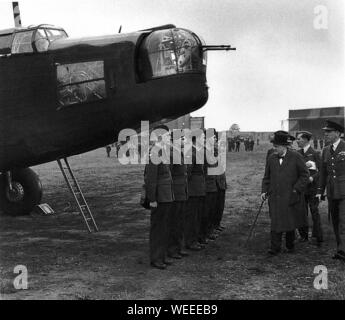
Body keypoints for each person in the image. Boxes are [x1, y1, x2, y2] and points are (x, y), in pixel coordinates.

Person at [261, 131, 309, 255]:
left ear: (284, 146)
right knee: (276, 221)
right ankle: (274, 248)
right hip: (275, 196)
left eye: (276, 146)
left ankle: (290, 245)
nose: (274, 149)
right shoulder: (271, 158)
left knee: (289, 221)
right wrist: (264, 190)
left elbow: (305, 175)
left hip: (290, 196)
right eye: (274, 146)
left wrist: (296, 189)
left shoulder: (296, 156)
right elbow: (266, 177)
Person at [144, 125, 174, 269]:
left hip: (166, 196)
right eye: (167, 136)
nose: (169, 138)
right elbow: (151, 179)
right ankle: (156, 258)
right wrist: (153, 199)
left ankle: (162, 256)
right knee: (158, 229)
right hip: (159, 198)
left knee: (165, 227)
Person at [316, 120, 345, 261]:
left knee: (343, 220)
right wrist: (320, 191)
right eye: (325, 132)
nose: (325, 134)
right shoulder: (325, 150)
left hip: (344, 191)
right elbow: (323, 173)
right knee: (335, 220)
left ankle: (343, 250)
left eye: (329, 132)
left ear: (338, 133)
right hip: (332, 191)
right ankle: (340, 249)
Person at [296, 131, 323, 246]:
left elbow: (322, 171)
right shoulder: (296, 153)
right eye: (297, 139)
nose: (297, 141)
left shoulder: (315, 153)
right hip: (302, 189)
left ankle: (318, 236)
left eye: (299, 139)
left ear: (306, 140)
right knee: (302, 212)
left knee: (314, 211)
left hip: (312, 188)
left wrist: (312, 178)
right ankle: (304, 236)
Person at [168, 133, 189, 259]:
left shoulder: (178, 152)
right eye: (181, 139)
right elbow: (168, 175)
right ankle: (172, 249)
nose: (183, 141)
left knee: (180, 222)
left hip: (181, 192)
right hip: (175, 193)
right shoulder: (171, 154)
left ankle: (178, 247)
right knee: (174, 222)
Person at [185, 133, 206, 251]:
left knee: (197, 216)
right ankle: (190, 242)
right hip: (193, 191)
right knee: (192, 217)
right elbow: (187, 173)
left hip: (198, 190)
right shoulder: (191, 153)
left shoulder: (197, 152)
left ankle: (194, 240)